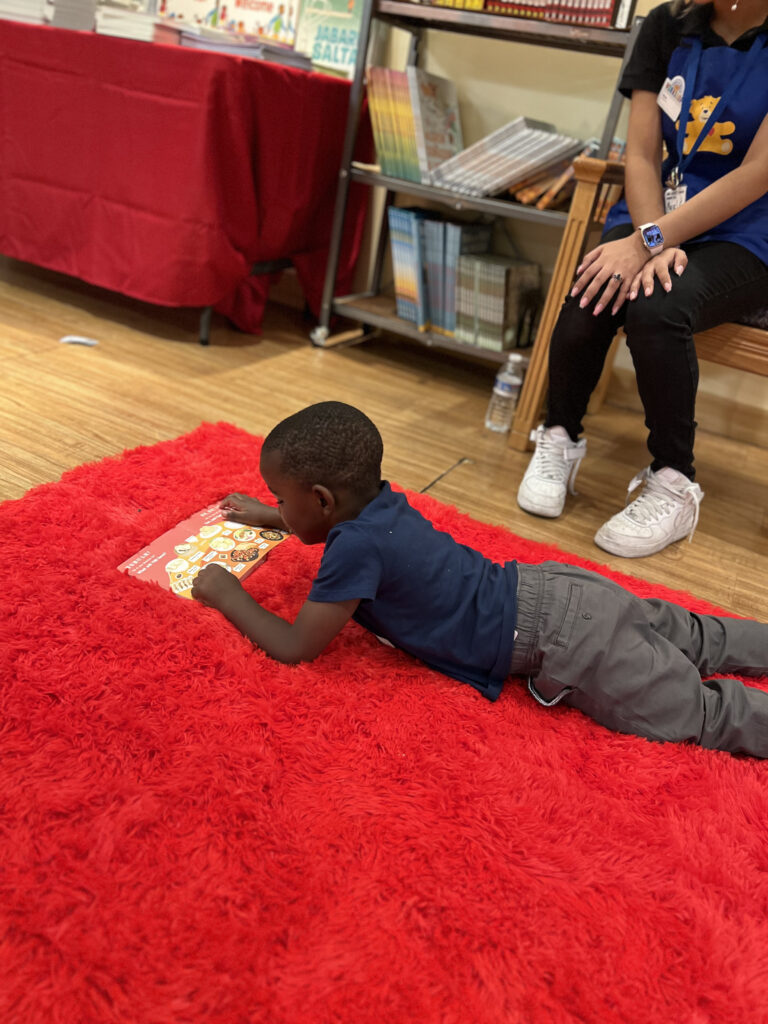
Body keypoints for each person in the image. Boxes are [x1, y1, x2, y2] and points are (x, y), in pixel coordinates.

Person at [191, 401, 768, 758]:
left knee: (703, 714)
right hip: (565, 590)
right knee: (698, 636)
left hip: (566, 641)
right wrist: (273, 517)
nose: (277, 506)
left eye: (281, 499)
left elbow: (296, 647)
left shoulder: (354, 551)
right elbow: (326, 523)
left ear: (321, 499)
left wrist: (226, 591)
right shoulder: (380, 506)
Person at [517, 0, 768, 558]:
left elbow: (758, 174)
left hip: (747, 231)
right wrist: (651, 236)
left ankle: (675, 481)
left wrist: (651, 244)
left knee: (658, 305)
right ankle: (560, 436)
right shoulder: (665, 26)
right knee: (592, 289)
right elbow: (641, 154)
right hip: (653, 212)